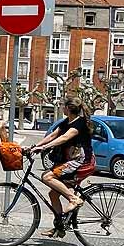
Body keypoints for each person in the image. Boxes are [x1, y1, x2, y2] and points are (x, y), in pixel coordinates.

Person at [29, 97, 92, 238]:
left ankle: (74, 199)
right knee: (53, 194)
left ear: (69, 108)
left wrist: (44, 147)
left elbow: (64, 138)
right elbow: (53, 135)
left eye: (63, 106)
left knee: (47, 176)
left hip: (81, 161)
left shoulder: (79, 123)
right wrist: (36, 146)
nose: (62, 108)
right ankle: (60, 226)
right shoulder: (66, 122)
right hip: (70, 160)